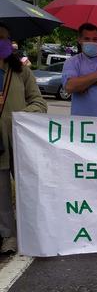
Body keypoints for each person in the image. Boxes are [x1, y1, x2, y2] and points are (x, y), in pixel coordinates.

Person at [0, 24, 47, 254]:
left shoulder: (21, 72)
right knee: (1, 193)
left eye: (6, 39)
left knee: (29, 188)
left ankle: (35, 230)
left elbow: (39, 102)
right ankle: (7, 236)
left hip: (20, 142)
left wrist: (21, 117)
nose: (4, 43)